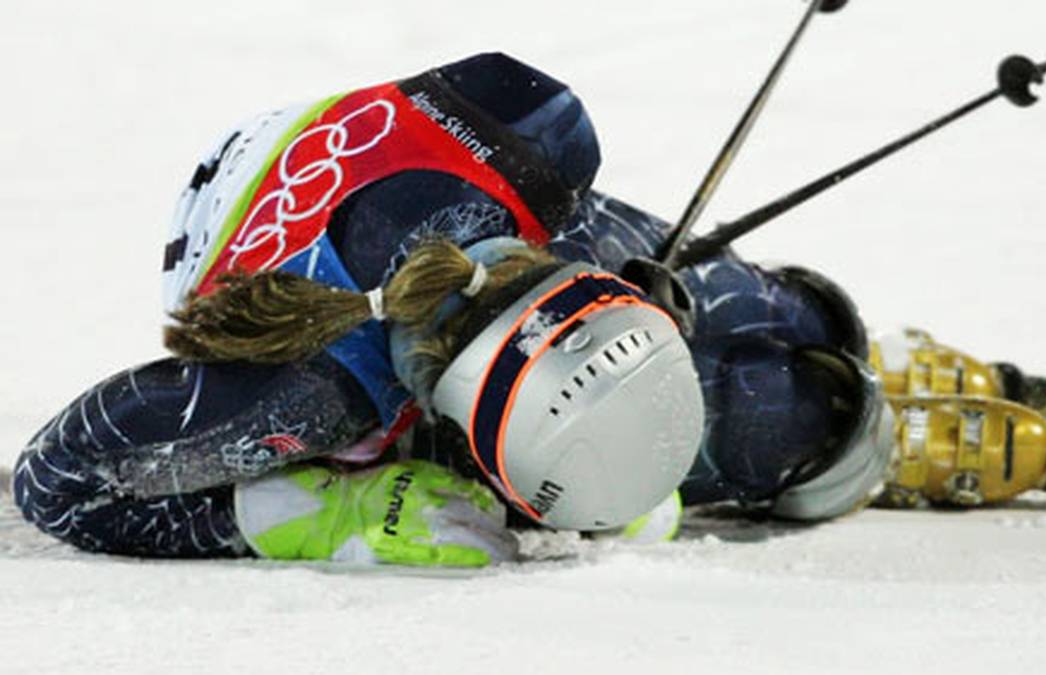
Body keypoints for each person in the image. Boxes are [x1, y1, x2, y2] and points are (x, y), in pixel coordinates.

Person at [11, 53, 892, 567]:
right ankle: (784, 390)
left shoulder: (546, 140)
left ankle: (785, 330)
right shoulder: (318, 392)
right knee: (766, 417)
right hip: (288, 285)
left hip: (473, 241)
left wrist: (644, 299)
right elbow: (57, 485)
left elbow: (59, 483)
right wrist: (329, 514)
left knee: (771, 324)